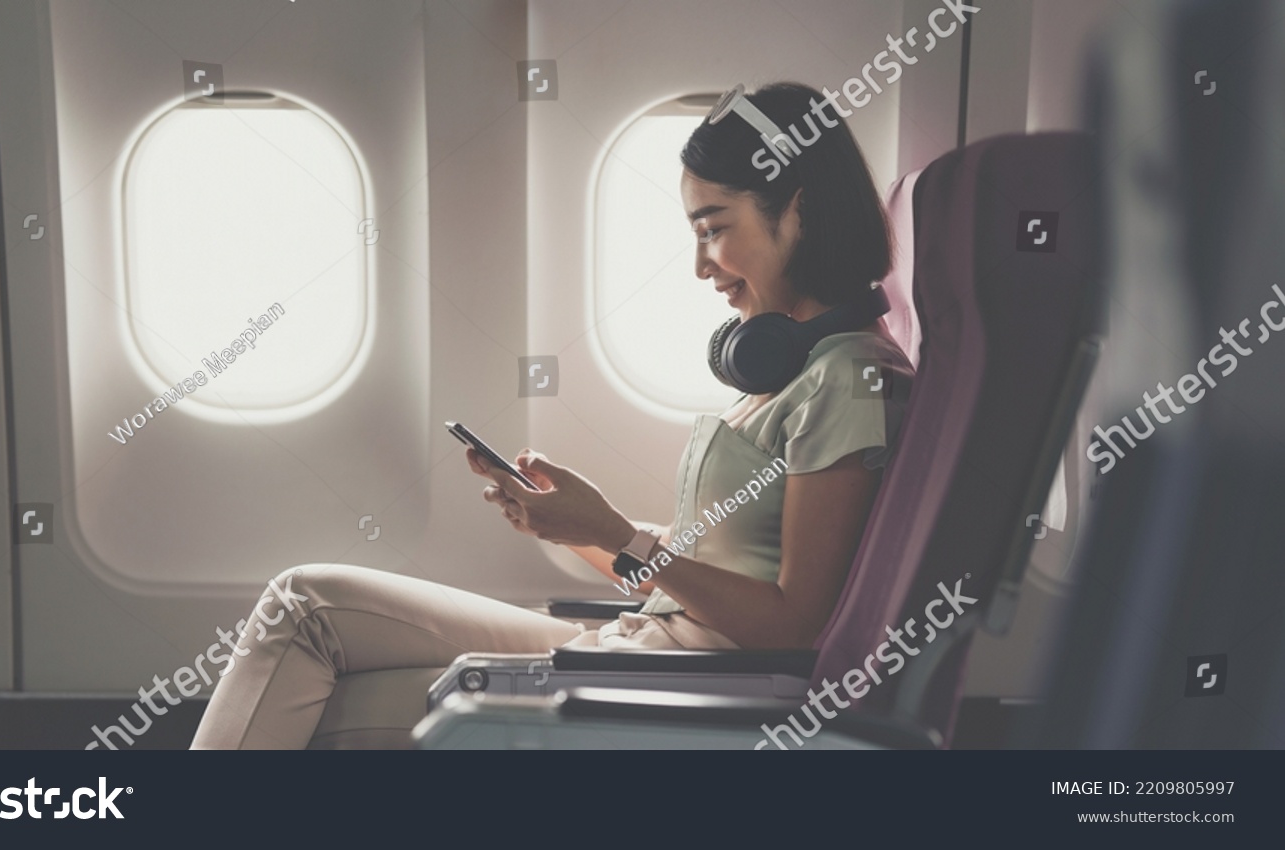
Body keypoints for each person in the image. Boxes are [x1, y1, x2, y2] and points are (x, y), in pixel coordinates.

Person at [190, 82, 913, 749]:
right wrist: (573, 526)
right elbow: (703, 577)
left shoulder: (843, 380)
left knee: (309, 621)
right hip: (644, 651)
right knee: (311, 616)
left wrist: (615, 532)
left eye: (713, 227)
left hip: (676, 687)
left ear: (799, 209)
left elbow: (791, 624)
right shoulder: (793, 365)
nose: (701, 265)